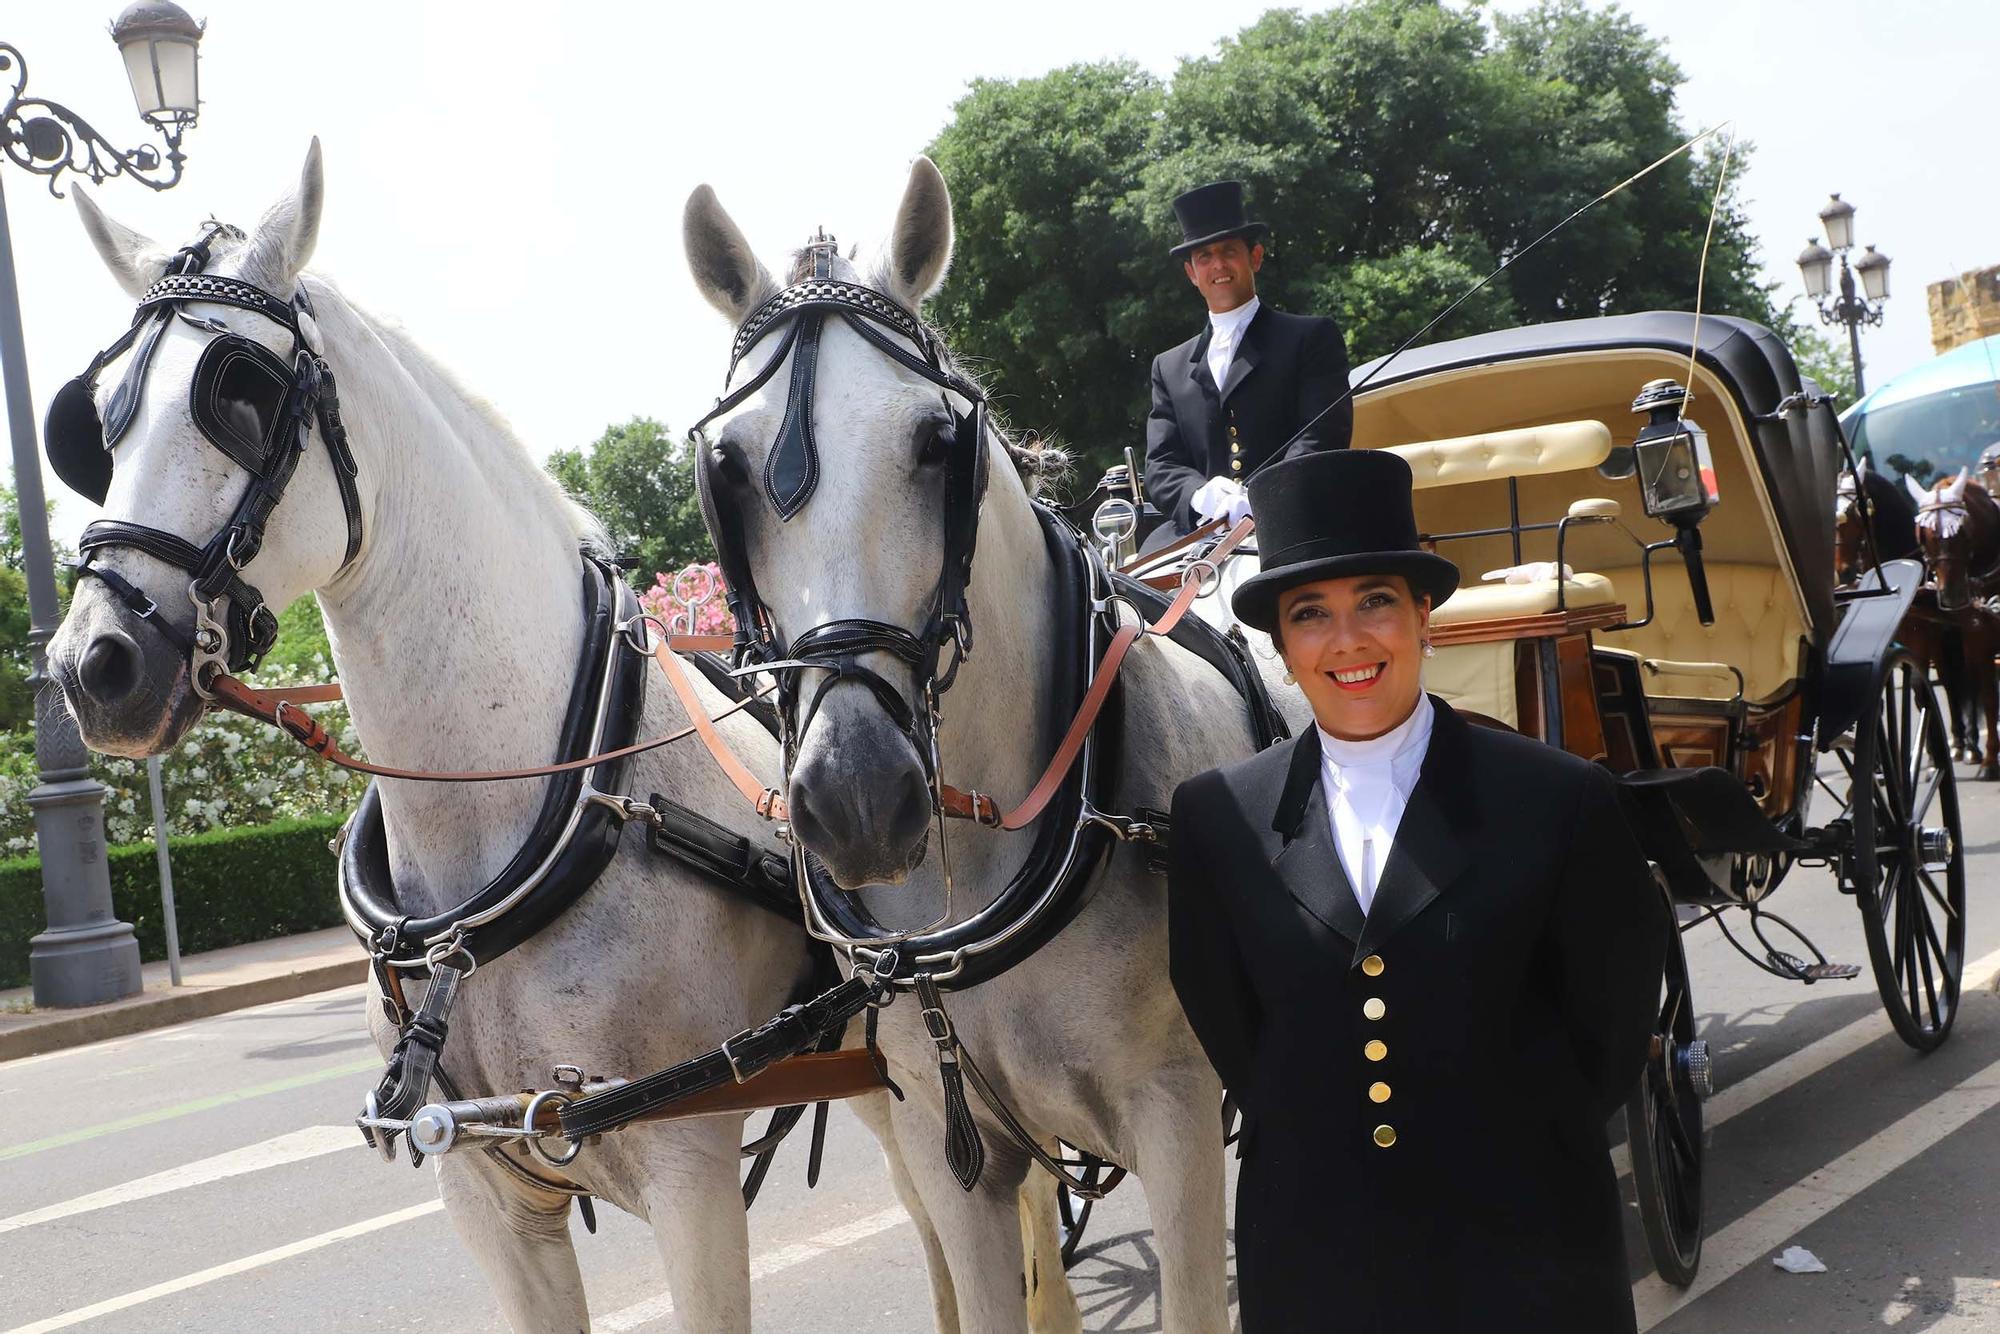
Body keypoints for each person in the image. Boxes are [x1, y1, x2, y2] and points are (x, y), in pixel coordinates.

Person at [1166, 448, 1671, 1333]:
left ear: (1425, 617)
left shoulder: (1558, 801)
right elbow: (1239, 1033)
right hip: (1316, 1255)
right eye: (1310, 614)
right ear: (1281, 648)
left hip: (1527, 1248)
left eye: (1375, 602)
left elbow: (1611, 1028)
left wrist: (1504, 1133)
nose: (1348, 640)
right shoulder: (1218, 821)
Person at [1141, 180, 1352, 542]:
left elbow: (1321, 437)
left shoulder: (1310, 338)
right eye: (1204, 257)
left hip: (1292, 522)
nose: (1218, 265)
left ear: (1254, 256)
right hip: (1200, 530)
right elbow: (1160, 466)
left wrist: (1265, 498)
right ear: (1192, 273)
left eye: (1228, 251)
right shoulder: (1169, 366)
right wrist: (1201, 495)